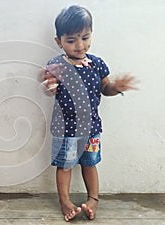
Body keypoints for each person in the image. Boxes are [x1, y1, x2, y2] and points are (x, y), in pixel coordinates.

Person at [41, 5, 137, 222]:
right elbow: (49, 90)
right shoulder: (56, 65)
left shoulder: (97, 64)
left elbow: (106, 88)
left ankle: (93, 198)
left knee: (90, 163)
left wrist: (118, 87)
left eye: (85, 37)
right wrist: (49, 84)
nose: (80, 45)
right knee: (64, 166)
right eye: (72, 40)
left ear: (91, 34)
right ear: (59, 42)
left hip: (91, 128)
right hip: (65, 129)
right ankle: (65, 201)